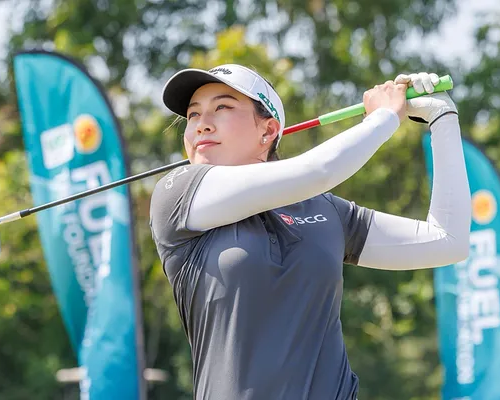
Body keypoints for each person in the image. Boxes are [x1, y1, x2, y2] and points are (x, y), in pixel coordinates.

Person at [149, 64, 470, 400]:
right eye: (193, 114)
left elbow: (448, 241)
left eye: (222, 107)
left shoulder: (324, 209)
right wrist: (384, 117)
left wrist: (442, 118)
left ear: (268, 130)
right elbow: (319, 170)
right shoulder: (178, 194)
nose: (202, 124)